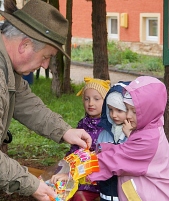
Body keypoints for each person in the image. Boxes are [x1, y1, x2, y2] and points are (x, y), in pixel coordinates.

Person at [0, 1, 91, 201]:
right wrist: (31, 184)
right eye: (46, 56)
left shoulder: (7, 65)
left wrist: (64, 130)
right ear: (25, 44)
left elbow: (25, 101)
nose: (47, 65)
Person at [88, 76, 169, 201]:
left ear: (150, 110)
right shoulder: (149, 125)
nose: (128, 115)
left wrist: (79, 169)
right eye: (127, 109)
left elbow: (115, 160)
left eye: (134, 111)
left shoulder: (148, 139)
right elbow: (125, 150)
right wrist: (104, 148)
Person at [65, 77, 111, 201]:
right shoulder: (82, 124)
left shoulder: (109, 126)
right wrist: (66, 165)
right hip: (81, 178)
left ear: (106, 102)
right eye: (87, 99)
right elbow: (75, 149)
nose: (91, 103)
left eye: (96, 99)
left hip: (102, 181)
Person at [95, 81, 132, 201]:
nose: (113, 115)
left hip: (127, 195)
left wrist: (130, 136)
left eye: (119, 111)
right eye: (110, 109)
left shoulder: (135, 134)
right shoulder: (104, 134)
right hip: (105, 194)